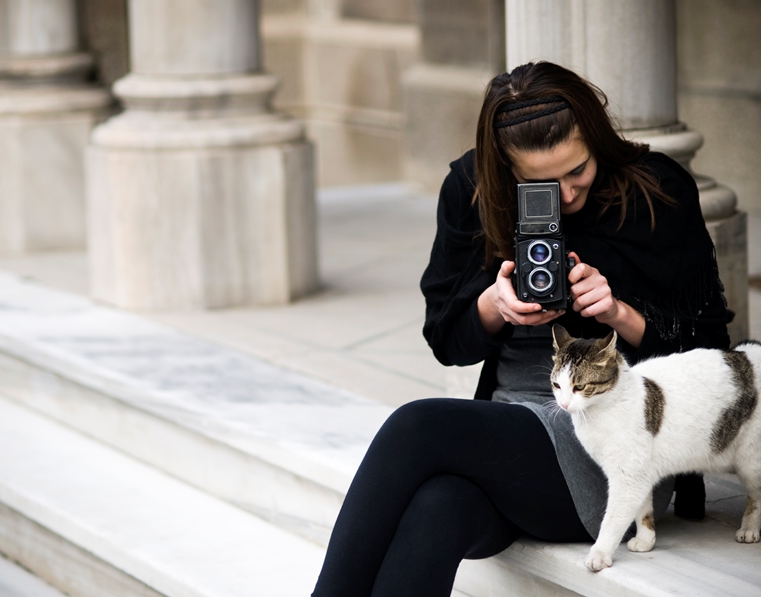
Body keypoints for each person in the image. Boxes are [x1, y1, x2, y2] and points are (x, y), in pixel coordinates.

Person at [311, 61, 732, 597]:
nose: (568, 195)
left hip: (616, 448)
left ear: (598, 139)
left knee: (418, 427)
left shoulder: (655, 191)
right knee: (439, 506)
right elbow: (444, 338)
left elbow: (713, 356)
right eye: (542, 183)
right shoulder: (473, 189)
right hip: (508, 434)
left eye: (577, 171)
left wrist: (618, 313)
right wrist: (493, 306)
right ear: (507, 171)